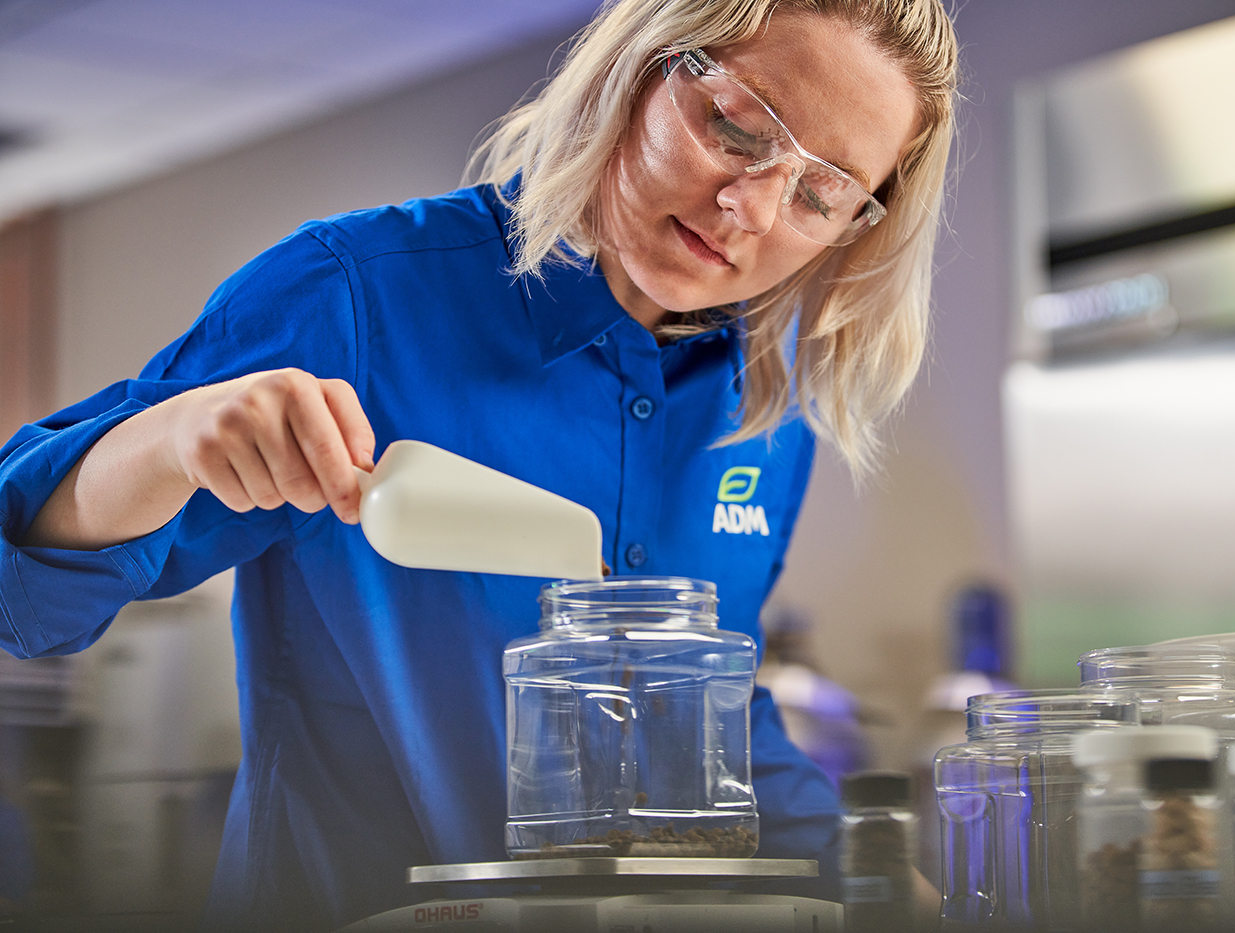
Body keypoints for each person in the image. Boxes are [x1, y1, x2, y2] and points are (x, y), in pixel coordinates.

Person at [0, 0, 959, 929]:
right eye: (738, 128)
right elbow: (21, 601)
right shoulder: (356, 300)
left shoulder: (765, 410)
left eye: (819, 194)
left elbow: (710, 724)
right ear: (644, 63)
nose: (750, 208)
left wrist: (878, 883)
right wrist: (167, 442)